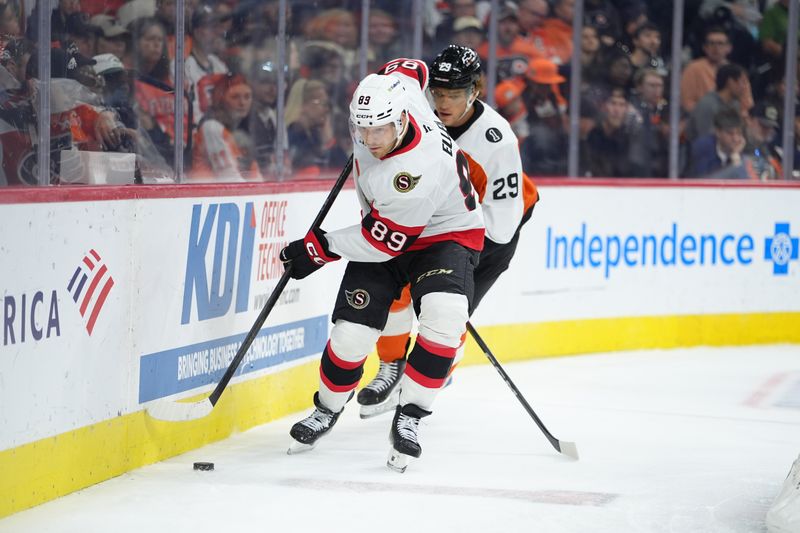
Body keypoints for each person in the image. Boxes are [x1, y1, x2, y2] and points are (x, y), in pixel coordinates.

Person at [280, 57, 485, 472]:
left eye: (379, 130)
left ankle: (409, 416)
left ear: (401, 121)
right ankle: (327, 408)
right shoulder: (397, 93)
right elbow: (412, 67)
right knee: (351, 335)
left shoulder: (412, 170)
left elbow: (381, 241)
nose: (370, 140)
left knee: (446, 318)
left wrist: (319, 248)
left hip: (444, 235)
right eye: (361, 130)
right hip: (388, 227)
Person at [356, 45, 539, 420]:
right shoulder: (415, 110)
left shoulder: (496, 139)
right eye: (437, 92)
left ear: (475, 91)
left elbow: (502, 223)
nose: (443, 101)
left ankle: (420, 389)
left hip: (488, 234)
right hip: (431, 221)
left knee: (447, 318)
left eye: (454, 94)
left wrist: (456, 259)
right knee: (395, 292)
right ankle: (391, 367)